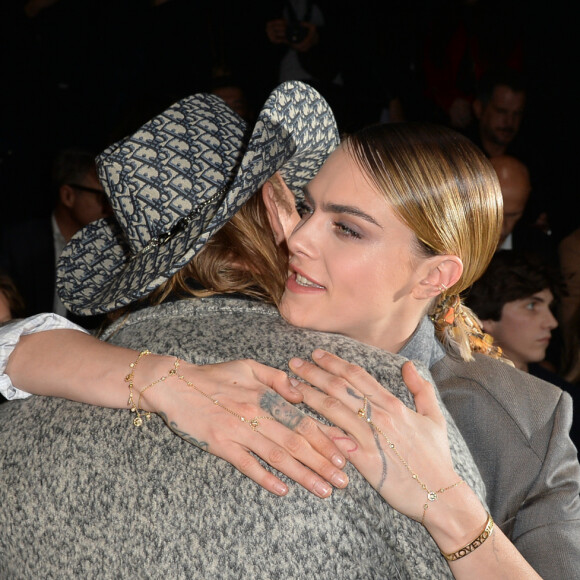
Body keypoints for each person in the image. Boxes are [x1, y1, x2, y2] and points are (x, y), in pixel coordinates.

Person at [3, 87, 578, 577]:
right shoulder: (221, 352)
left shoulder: (523, 418)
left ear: (435, 274)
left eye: (347, 229)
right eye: (305, 208)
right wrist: (154, 377)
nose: (299, 239)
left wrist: (454, 511)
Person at [464, 249, 578, 450]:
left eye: (549, 308)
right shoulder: (457, 395)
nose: (551, 322)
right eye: (532, 306)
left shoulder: (565, 399)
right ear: (486, 316)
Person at [0, 147, 111, 328]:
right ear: (68, 196)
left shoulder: (108, 250)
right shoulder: (18, 243)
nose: (109, 208)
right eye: (102, 197)